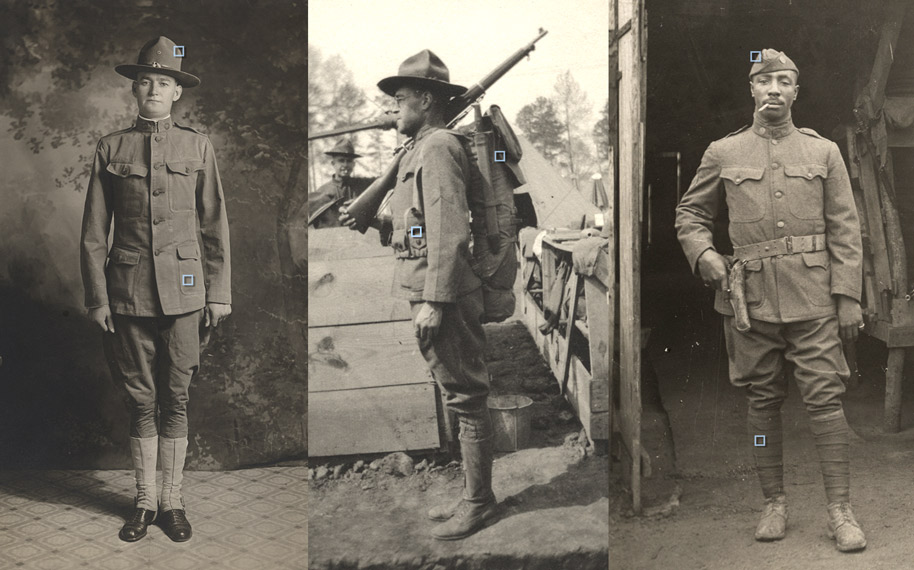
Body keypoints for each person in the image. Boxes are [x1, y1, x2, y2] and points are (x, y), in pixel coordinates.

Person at [675, 49, 866, 552]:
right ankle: (773, 502)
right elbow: (689, 215)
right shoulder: (723, 152)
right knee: (761, 404)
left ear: (796, 92)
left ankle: (841, 510)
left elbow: (847, 227)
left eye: (785, 81)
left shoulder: (823, 153)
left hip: (815, 299)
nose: (775, 89)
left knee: (826, 402)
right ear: (752, 91)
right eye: (766, 81)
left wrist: (847, 295)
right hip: (750, 303)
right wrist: (704, 255)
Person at [340, 49, 498, 540]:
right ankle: (474, 495)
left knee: (467, 396)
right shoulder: (421, 149)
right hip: (430, 285)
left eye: (400, 99)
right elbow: (421, 224)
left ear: (426, 100)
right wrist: (386, 221)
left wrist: (435, 300)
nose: (393, 108)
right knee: (456, 393)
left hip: (442, 293)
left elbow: (450, 230)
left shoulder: (437, 148)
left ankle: (479, 503)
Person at [80, 36, 232, 543]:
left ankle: (174, 501)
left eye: (162, 81)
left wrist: (219, 293)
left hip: (187, 293)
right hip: (126, 293)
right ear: (134, 89)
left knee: (177, 396)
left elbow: (214, 226)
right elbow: (92, 233)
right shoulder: (111, 148)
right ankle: (145, 502)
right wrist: (98, 297)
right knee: (140, 400)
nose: (152, 88)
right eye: (144, 80)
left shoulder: (198, 145)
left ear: (176, 93)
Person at [308, 139, 372, 228]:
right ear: (333, 163)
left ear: (354, 164)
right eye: (341, 160)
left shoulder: (364, 185)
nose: (345, 165)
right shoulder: (322, 192)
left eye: (349, 161)